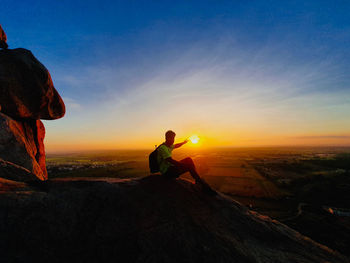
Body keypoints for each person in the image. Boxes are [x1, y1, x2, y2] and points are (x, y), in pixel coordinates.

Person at [157, 130, 216, 194]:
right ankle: (200, 183)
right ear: (167, 138)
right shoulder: (163, 148)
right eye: (172, 138)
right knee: (189, 166)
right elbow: (170, 160)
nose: (173, 140)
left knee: (188, 159)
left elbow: (176, 145)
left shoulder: (168, 146)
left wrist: (184, 142)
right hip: (167, 172)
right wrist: (183, 165)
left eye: (173, 138)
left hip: (170, 168)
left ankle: (197, 180)